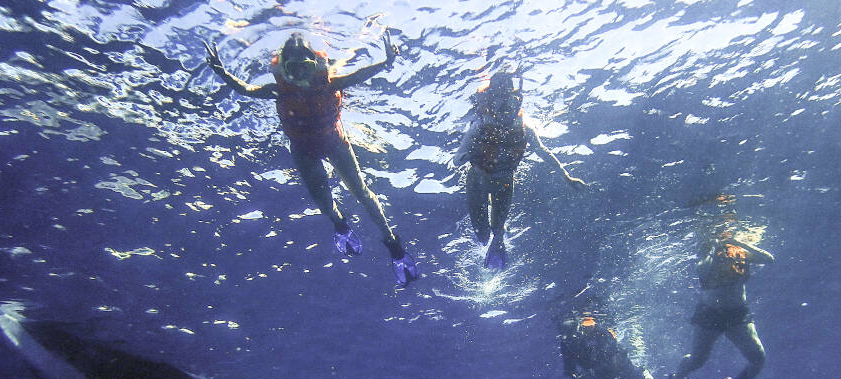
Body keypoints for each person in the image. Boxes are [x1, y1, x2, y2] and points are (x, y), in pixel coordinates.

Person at [205, 32, 420, 286]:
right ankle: (340, 225)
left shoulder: (328, 83)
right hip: (304, 151)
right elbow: (246, 89)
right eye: (292, 68)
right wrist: (222, 73)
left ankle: (392, 242)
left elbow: (360, 75)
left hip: (334, 142)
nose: (299, 75)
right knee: (324, 203)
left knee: (361, 191)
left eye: (304, 67)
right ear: (284, 70)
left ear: (315, 64)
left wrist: (386, 62)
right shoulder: (279, 91)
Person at [454, 71, 586, 270]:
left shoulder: (525, 128)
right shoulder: (480, 125)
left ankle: (499, 235)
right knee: (482, 236)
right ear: (491, 101)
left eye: (511, 101)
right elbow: (457, 160)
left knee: (497, 232)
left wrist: (567, 177)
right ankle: (493, 236)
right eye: (500, 102)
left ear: (517, 100)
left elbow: (543, 151)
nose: (506, 108)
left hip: (505, 183)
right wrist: (472, 153)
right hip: (477, 182)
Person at [658, 230, 775, 379]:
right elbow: (702, 271)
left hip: (737, 314)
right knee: (697, 360)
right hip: (709, 314)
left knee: (758, 357)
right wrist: (713, 247)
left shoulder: (741, 250)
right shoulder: (707, 251)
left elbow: (769, 259)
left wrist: (739, 243)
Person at [558, 291, 654, 379]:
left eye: (574, 336)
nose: (572, 341)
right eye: (569, 339)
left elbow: (613, 353)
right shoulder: (566, 343)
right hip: (593, 370)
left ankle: (642, 371)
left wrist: (591, 372)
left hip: (616, 363)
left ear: (580, 328)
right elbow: (569, 369)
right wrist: (576, 378)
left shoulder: (596, 330)